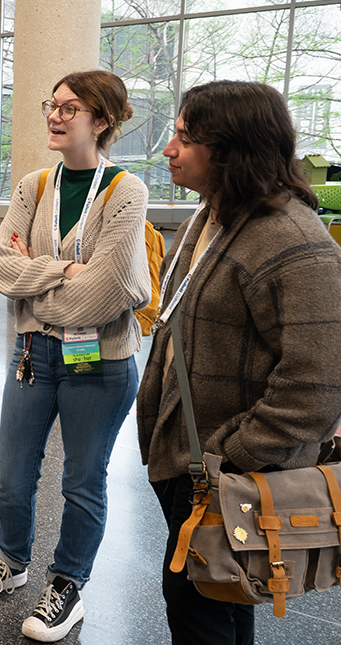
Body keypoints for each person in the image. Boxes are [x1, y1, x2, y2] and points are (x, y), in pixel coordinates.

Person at [137, 80, 341, 644]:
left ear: (230, 149)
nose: (168, 149)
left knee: (199, 606)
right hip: (191, 460)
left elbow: (316, 388)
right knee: (223, 591)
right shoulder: (209, 218)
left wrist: (227, 455)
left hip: (228, 469)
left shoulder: (294, 243)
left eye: (184, 136)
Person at [0, 70, 150, 642]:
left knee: (82, 481)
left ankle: (67, 584)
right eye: (53, 104)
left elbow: (109, 291)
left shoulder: (126, 191)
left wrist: (35, 279)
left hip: (101, 361)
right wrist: (67, 271)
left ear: (103, 120)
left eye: (71, 108)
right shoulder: (33, 186)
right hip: (32, 356)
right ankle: (13, 565)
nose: (56, 115)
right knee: (12, 476)